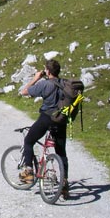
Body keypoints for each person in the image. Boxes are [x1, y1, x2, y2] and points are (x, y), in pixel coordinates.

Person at [19, 59, 69, 198]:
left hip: (47, 118)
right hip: (61, 120)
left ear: (47, 71)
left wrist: (35, 78)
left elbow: (24, 92)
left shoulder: (45, 84)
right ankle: (64, 183)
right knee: (61, 152)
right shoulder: (64, 83)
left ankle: (28, 172)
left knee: (29, 141)